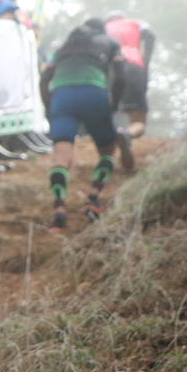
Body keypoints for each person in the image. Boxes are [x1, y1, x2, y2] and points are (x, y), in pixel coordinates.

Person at [39, 17, 125, 232]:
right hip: (94, 92)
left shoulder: (63, 48)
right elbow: (121, 76)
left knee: (61, 156)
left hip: (61, 96)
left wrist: (49, 108)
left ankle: (59, 210)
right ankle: (93, 198)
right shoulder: (110, 43)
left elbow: (44, 79)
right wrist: (113, 103)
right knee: (107, 150)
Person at [103, 11, 157, 173]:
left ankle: (107, 149)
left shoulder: (103, 28)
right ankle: (127, 133)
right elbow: (151, 36)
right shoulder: (136, 22)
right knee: (138, 119)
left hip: (111, 69)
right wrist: (145, 60)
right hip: (134, 65)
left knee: (108, 112)